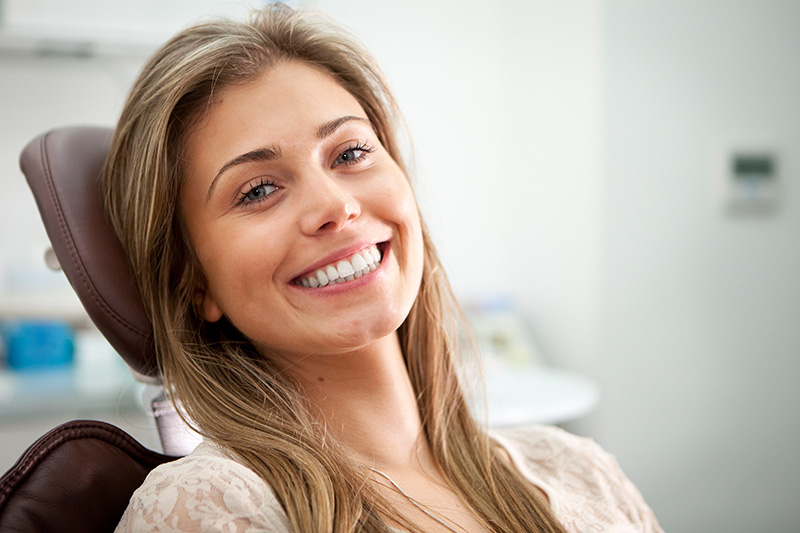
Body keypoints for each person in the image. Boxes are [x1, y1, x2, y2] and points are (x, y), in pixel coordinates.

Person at [107, 4, 662, 532]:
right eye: (259, 190)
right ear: (194, 281)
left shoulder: (579, 470)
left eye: (350, 154)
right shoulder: (207, 509)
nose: (336, 206)